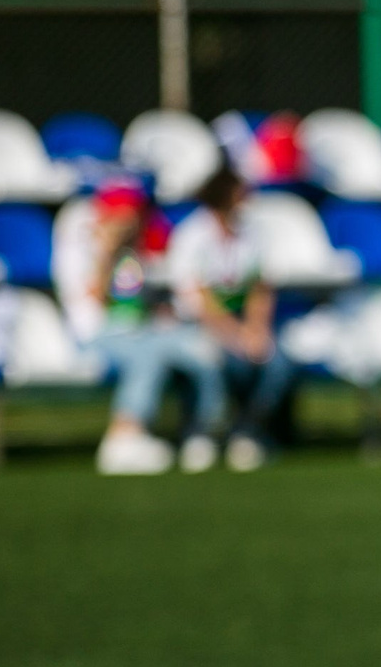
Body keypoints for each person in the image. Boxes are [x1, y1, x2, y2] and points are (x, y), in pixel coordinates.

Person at [70, 185, 227, 477]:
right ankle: (123, 436)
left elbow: (161, 292)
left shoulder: (149, 242)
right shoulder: (82, 246)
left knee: (203, 349)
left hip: (147, 329)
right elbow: (92, 301)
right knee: (148, 355)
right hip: (102, 333)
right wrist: (108, 251)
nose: (129, 222)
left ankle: (202, 430)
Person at [164, 167, 286, 472]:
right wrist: (235, 333)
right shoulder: (192, 235)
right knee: (210, 360)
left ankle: (246, 431)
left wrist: (256, 329)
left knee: (278, 363)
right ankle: (202, 432)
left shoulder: (253, 233)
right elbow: (199, 298)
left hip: (241, 322)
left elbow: (261, 287)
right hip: (197, 323)